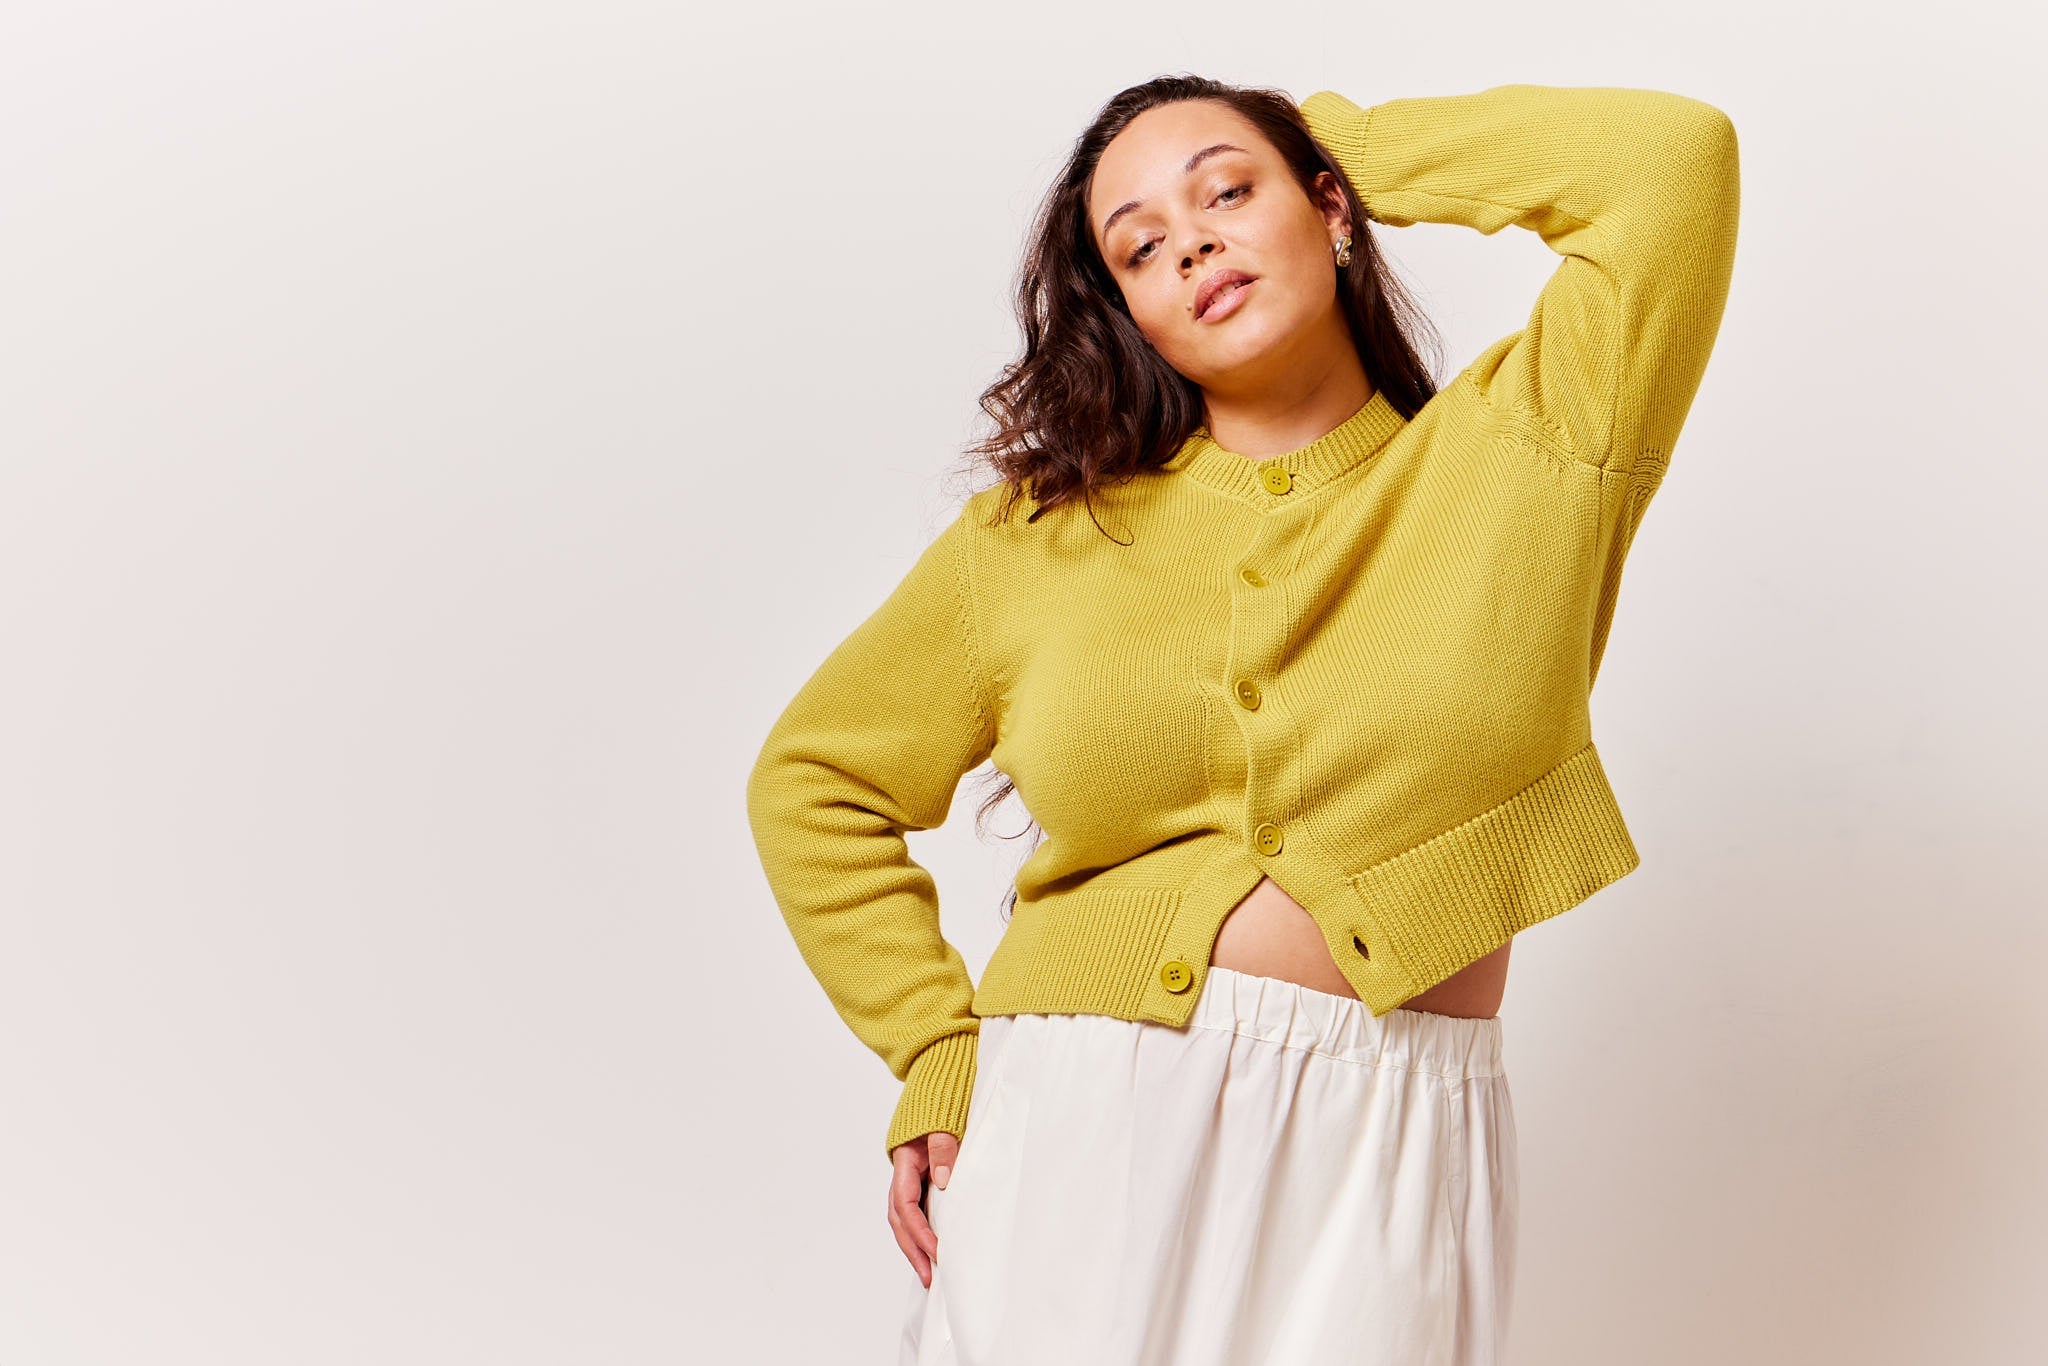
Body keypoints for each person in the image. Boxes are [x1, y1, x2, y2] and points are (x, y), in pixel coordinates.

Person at [746, 75, 1740, 1366]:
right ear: (1135, 318)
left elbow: (1672, 163)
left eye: (1229, 191)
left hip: (1394, 1121)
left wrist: (1341, 141)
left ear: (1331, 209)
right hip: (1088, 1113)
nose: (1196, 243)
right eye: (1142, 248)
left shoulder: (1533, 449)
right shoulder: (1041, 535)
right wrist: (937, 1047)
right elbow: (816, 779)